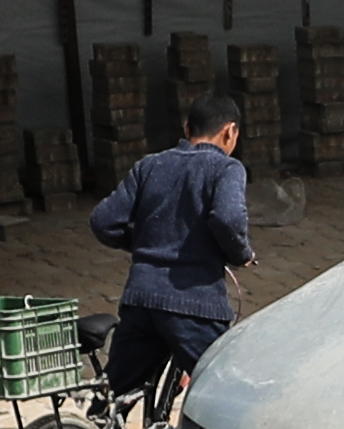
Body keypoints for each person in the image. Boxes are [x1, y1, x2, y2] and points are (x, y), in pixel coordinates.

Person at [93, 94, 254, 399]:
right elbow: (228, 218)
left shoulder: (150, 166)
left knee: (114, 397)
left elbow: (103, 221)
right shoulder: (226, 169)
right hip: (194, 305)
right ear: (230, 132)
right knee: (226, 394)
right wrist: (241, 254)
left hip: (140, 300)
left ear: (186, 128)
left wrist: (141, 244)